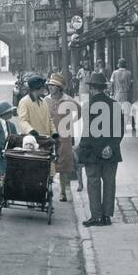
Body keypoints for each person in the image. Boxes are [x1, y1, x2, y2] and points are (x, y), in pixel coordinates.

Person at [78, 71, 125, 226]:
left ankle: (96, 216)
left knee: (93, 182)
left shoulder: (87, 107)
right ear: (104, 88)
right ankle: (107, 216)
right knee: (110, 182)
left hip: (92, 152)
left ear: (92, 89)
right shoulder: (116, 105)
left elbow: (89, 133)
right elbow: (120, 130)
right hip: (111, 152)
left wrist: (96, 149)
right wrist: (110, 147)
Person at [47, 72, 81, 202]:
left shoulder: (68, 100)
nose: (50, 87)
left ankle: (62, 192)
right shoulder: (46, 100)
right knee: (48, 162)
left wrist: (70, 122)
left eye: (53, 85)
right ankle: (48, 189)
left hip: (64, 135)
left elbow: (79, 112)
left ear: (59, 87)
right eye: (50, 85)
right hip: (49, 134)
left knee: (63, 163)